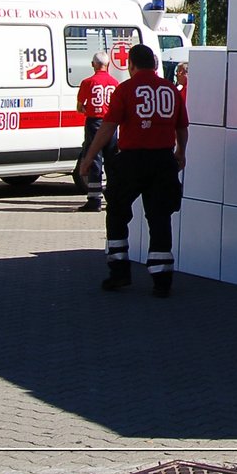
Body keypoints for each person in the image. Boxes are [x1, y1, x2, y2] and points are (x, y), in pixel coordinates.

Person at [77, 45, 188, 297]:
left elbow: (108, 127)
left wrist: (89, 156)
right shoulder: (171, 90)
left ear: (131, 65)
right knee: (160, 218)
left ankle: (119, 272)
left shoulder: (126, 89)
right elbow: (182, 126)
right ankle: (162, 279)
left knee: (116, 212)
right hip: (163, 160)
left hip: (132, 160)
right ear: (155, 64)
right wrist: (180, 152)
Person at [74, 52, 120, 212]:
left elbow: (80, 107)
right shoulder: (115, 83)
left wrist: (86, 109)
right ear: (108, 65)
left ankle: (94, 199)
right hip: (111, 125)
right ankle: (113, 197)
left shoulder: (88, 82)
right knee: (112, 161)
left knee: (94, 159)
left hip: (94, 123)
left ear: (93, 64)